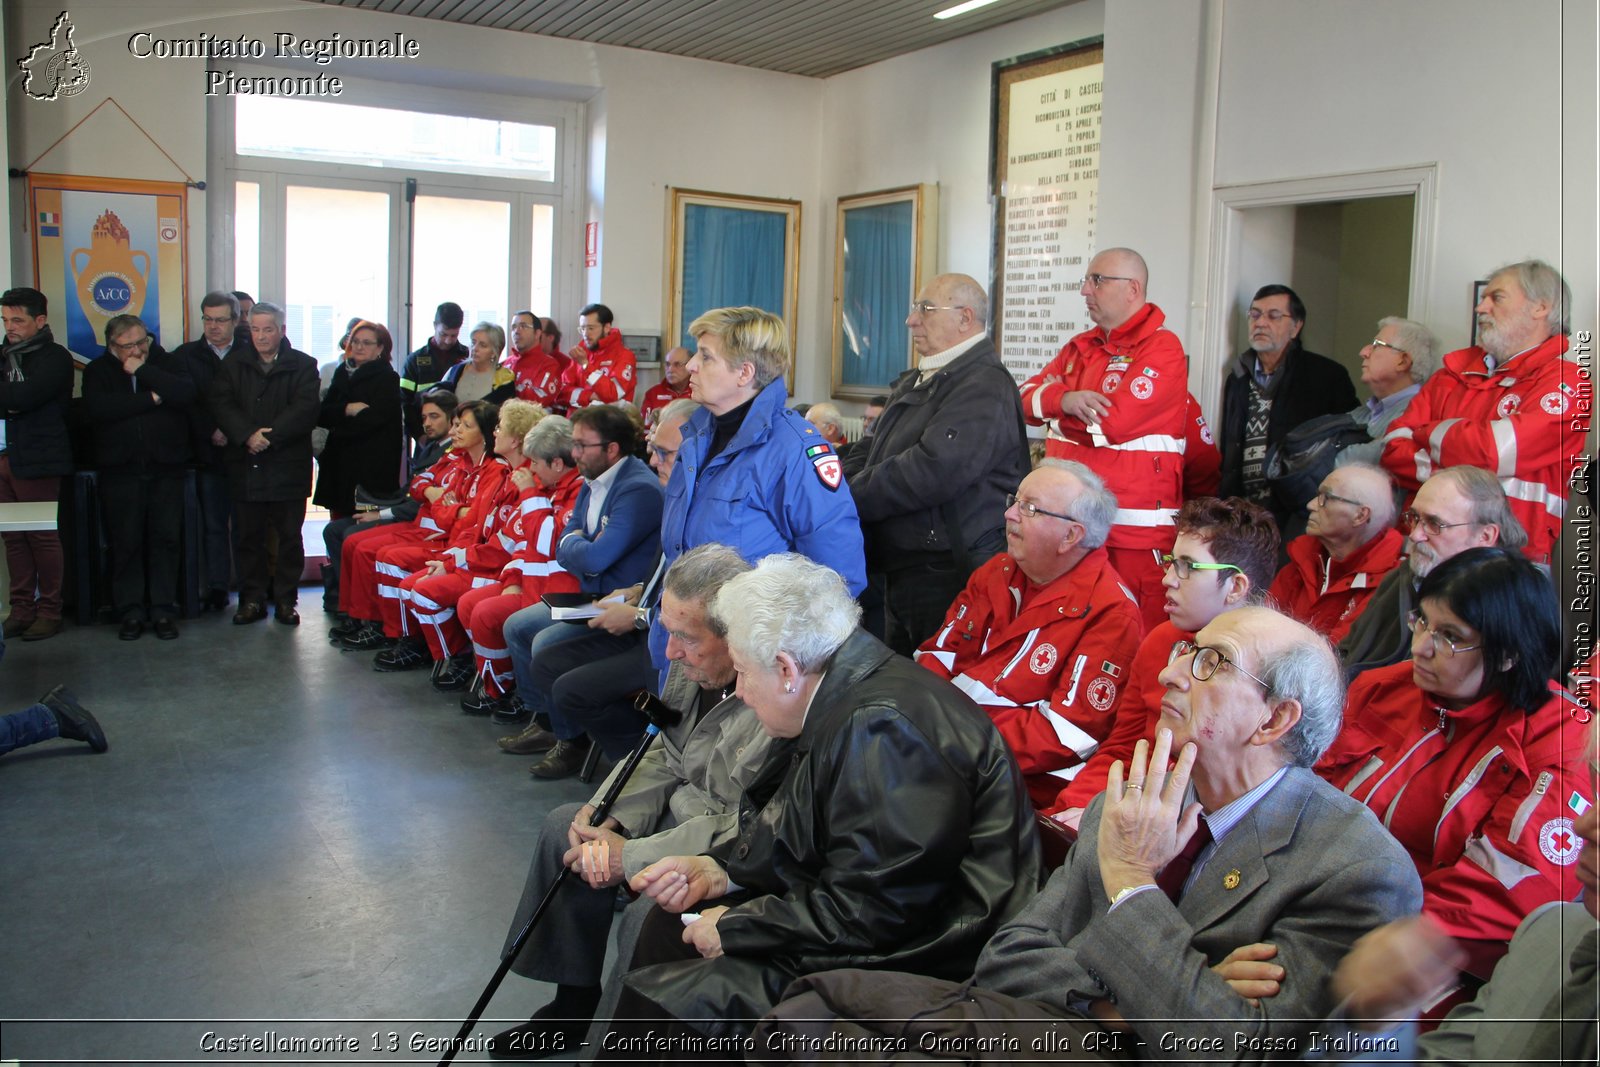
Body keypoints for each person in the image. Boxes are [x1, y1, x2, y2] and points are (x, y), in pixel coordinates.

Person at [758, 607, 1422, 1060]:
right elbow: (1012, 952)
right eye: (1185, 651)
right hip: (1063, 1038)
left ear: (1276, 718)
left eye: (1211, 661)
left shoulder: (1356, 868)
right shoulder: (1137, 796)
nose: (1169, 671)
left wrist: (1132, 881)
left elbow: (1231, 1050)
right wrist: (1133, 1003)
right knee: (803, 1019)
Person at [605, 553, 1038, 1047]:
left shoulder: (880, 729)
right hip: (877, 916)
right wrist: (722, 869)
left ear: (787, 669)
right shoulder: (843, 684)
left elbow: (877, 912)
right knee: (668, 924)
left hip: (931, 951)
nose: (741, 692)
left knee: (699, 993)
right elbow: (801, 823)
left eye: (744, 673)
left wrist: (741, 925)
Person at [484, 545, 762, 1059]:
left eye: (686, 638)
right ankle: (572, 1002)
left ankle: (609, 1045)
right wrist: (608, 809)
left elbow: (749, 827)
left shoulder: (769, 697)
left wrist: (628, 856)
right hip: (673, 814)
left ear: (737, 636)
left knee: (648, 913)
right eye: (668, 631)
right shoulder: (690, 665)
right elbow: (662, 745)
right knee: (564, 826)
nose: (671, 652)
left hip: (720, 851)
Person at [1318, 547, 1590, 982]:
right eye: (1422, 621)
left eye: (1450, 636)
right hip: (1317, 902)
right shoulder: (1380, 688)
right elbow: (1293, 792)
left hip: (1427, 955)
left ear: (1508, 655)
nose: (1422, 647)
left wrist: (1371, 934)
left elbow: (1511, 889)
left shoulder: (1560, 739)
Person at [1320, 718, 1597, 1064]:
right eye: (1598, 781)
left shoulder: (1553, 734)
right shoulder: (1551, 935)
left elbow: (1495, 893)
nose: (1584, 825)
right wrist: (1372, 1019)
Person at [915, 460, 1143, 808]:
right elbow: (938, 655)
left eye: (1030, 508)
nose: (1009, 514)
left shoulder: (1112, 612)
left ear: (1071, 536)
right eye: (1015, 500)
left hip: (1014, 787)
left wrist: (951, 737)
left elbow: (1066, 734)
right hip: (940, 754)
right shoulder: (997, 570)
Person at [1046, 495, 1281, 827]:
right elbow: (1124, 747)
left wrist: (1106, 818)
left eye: (1186, 566)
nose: (1168, 578)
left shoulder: (1270, 669)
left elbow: (1227, 798)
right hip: (1125, 802)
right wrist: (1075, 808)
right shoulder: (1162, 639)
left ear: (1236, 586)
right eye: (1170, 561)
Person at [656, 305, 866, 667]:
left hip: (747, 660)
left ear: (745, 373)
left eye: (705, 357)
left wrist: (776, 660)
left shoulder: (794, 451)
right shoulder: (695, 437)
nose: (690, 366)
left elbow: (837, 580)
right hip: (682, 645)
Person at [841, 274, 1029, 654]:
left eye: (925, 309)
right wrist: (836, 479)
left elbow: (932, 470)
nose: (912, 320)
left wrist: (847, 496)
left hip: (947, 572)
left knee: (934, 691)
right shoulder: (924, 376)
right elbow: (873, 447)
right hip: (908, 566)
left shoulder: (983, 385)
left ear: (965, 318)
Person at [1019, 247, 1190, 629]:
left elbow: (1113, 424)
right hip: (1072, 524)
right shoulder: (1080, 347)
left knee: (1127, 637)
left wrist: (1053, 415)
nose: (1085, 290)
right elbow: (1020, 402)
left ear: (1132, 289)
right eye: (1086, 279)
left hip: (1132, 535)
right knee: (1067, 631)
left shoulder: (1163, 349)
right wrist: (1064, 399)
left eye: (1097, 280)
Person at [1381, 260, 1587, 562]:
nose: (1481, 308)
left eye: (1496, 297)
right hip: (1421, 549)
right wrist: (1469, 459)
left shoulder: (1567, 382)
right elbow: (1393, 449)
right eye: (1483, 298)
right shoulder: (1449, 376)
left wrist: (1429, 433)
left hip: (1506, 562)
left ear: (1540, 307)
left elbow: (1497, 451)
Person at [499, 404, 662, 753]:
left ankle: (570, 741)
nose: (573, 454)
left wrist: (579, 548)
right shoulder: (592, 478)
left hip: (620, 602)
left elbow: (596, 557)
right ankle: (546, 721)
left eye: (581, 445)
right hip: (590, 593)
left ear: (611, 449)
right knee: (517, 626)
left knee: (545, 644)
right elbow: (568, 542)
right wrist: (580, 548)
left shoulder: (639, 490)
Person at [397, 398, 545, 685]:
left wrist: (454, 562)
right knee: (411, 586)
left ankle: (485, 673)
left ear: (515, 440)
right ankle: (463, 659)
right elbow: (472, 527)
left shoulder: (526, 483)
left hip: (496, 571)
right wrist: (449, 560)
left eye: (500, 428)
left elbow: (507, 546)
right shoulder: (504, 477)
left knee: (431, 593)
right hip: (480, 560)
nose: (495, 433)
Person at [1337, 466, 1525, 682]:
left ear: (1485, 536)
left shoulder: (1509, 608)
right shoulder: (1405, 576)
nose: (1415, 535)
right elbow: (1347, 652)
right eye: (1414, 518)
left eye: (1435, 524)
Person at [360, 400, 511, 668]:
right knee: (379, 556)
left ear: (485, 431)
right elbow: (423, 490)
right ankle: (404, 638)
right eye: (456, 424)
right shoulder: (460, 460)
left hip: (466, 553)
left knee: (396, 566)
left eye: (466, 425)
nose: (457, 431)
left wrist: (450, 511)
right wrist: (452, 509)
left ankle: (430, 648)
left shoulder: (496, 471)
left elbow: (472, 522)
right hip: (451, 543)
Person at [457, 415, 585, 721]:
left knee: (494, 616)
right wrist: (513, 577)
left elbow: (545, 542)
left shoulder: (575, 492)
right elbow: (519, 543)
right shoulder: (550, 487)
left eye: (536, 463)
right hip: (533, 587)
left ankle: (531, 708)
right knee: (474, 607)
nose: (531, 470)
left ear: (556, 464)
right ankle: (516, 696)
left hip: (560, 595)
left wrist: (529, 493)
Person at [79, 314, 196, 641]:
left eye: (141, 341)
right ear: (111, 346)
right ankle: (129, 610)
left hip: (166, 467)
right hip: (120, 470)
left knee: (165, 539)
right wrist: (151, 398)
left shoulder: (166, 363)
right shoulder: (97, 371)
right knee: (126, 542)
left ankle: (162, 609)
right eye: (127, 345)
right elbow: (101, 410)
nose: (136, 350)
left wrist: (144, 372)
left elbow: (185, 394)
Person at [210, 301, 320, 626]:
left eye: (267, 329)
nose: (260, 336)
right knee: (248, 538)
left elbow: (304, 409)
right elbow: (220, 402)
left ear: (281, 331)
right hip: (246, 463)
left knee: (289, 538)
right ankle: (252, 600)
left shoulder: (303, 364)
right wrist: (246, 435)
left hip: (287, 464)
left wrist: (266, 437)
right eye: (254, 329)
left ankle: (286, 600)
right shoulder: (233, 364)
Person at [1219, 284, 1358, 534]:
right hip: (1244, 513)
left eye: (1273, 316)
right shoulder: (1238, 376)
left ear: (1296, 327)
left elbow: (1347, 440)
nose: (1260, 323)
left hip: (1297, 510)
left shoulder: (1325, 375)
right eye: (1255, 314)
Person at [323, 391, 455, 624]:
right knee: (334, 530)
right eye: (424, 418)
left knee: (353, 537)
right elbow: (408, 491)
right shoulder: (431, 447)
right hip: (404, 509)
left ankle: (367, 618)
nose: (427, 424)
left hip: (420, 521)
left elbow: (419, 503)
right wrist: (372, 505)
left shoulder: (451, 453)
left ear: (451, 418)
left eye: (434, 417)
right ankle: (346, 606)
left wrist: (381, 513)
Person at [0, 287, 73, 641]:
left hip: (37, 459)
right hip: (4, 459)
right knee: (14, 539)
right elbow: (13, 400)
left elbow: (25, 397)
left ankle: (49, 610)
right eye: (5, 320)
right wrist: (12, 401)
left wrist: (15, 400)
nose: (9, 327)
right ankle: (22, 609)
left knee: (41, 537)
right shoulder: (3, 355)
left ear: (39, 320)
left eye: (17, 320)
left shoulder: (54, 357)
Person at [172, 291, 250, 613]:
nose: (213, 326)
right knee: (213, 526)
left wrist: (232, 431)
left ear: (235, 320)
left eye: (220, 320)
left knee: (246, 527)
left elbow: (254, 401)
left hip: (245, 452)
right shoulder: (185, 356)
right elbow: (186, 402)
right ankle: (218, 587)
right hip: (205, 453)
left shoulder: (249, 352)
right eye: (207, 319)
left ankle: (249, 589)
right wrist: (210, 430)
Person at [1267, 462, 1405, 643]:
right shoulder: (1303, 559)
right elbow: (1262, 628)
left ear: (1360, 515)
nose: (1311, 505)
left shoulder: (1390, 582)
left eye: (1325, 497)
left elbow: (1341, 657)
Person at [311, 321, 404, 520]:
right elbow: (323, 414)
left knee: (360, 528)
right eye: (355, 341)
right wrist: (348, 409)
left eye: (367, 343)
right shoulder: (342, 372)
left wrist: (340, 421)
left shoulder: (387, 377)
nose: (359, 347)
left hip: (370, 468)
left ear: (380, 348)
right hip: (338, 465)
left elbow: (374, 420)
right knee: (336, 525)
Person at [1334, 317, 1440, 466]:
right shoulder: (1363, 412)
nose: (1363, 352)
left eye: (1376, 345)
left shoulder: (1418, 414)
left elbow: (1334, 460)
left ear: (1402, 361)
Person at [400, 301, 466, 436]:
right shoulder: (414, 360)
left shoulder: (466, 357)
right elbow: (404, 402)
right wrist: (419, 436)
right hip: (426, 433)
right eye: (443, 334)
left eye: (453, 336)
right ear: (435, 325)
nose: (448, 340)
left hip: (459, 433)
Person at [561, 303, 636, 408]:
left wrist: (586, 365)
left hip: (609, 422)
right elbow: (561, 394)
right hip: (577, 420)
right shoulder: (580, 353)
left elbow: (613, 394)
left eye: (591, 328)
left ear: (606, 327)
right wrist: (590, 396)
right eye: (582, 328)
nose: (585, 334)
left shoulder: (624, 356)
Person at [438, 321, 515, 404]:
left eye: (483, 345)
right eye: (473, 342)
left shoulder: (505, 378)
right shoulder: (455, 371)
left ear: (494, 352)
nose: (475, 348)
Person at [506, 310, 562, 409]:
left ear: (537, 333)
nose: (517, 331)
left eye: (523, 326)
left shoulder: (549, 365)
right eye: (514, 327)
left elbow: (537, 402)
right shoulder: (505, 363)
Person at [640, 346, 691, 430]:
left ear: (690, 366)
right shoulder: (652, 393)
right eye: (667, 364)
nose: (670, 369)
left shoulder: (701, 392)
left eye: (677, 364)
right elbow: (645, 428)